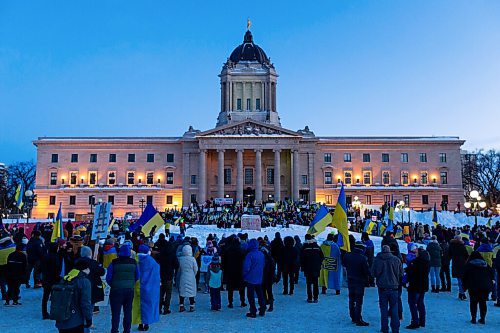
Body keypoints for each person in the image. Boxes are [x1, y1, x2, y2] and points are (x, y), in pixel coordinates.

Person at [106, 245, 140, 333]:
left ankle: (114, 330)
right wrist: (131, 283)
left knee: (115, 313)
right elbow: (137, 276)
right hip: (129, 290)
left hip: (116, 290)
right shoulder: (134, 262)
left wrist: (113, 284)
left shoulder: (114, 262)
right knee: (128, 312)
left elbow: (108, 277)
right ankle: (127, 330)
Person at [55, 260, 93, 333]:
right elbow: (85, 303)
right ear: (86, 269)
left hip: (61, 320)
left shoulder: (65, 279)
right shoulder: (84, 281)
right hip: (76, 321)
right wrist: (89, 319)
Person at [372, 245, 403, 333]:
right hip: (394, 287)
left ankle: (384, 328)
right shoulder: (396, 260)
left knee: (383, 309)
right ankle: (395, 329)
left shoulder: (377, 260)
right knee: (394, 308)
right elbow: (401, 273)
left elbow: (373, 273)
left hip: (382, 288)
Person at [132, 245, 160, 331]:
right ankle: (146, 323)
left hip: (136, 286)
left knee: (137, 306)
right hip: (149, 287)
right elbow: (156, 274)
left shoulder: (134, 261)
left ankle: (140, 323)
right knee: (148, 306)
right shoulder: (152, 262)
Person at [462, 251, 494, 324]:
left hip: (473, 286)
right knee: (483, 302)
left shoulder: (469, 265)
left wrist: (464, 287)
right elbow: (491, 275)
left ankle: (473, 318)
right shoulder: (485, 265)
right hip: (484, 287)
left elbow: (464, 277)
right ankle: (482, 319)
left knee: (473, 302)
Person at [343, 241, 370, 326]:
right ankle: (358, 318)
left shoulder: (348, 255)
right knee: (358, 301)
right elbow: (366, 271)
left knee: (351, 299)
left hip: (350, 279)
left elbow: (344, 264)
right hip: (359, 281)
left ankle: (353, 316)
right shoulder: (362, 258)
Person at [405, 247, 430, 329]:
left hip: (415, 286)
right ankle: (422, 321)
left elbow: (411, 272)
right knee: (420, 303)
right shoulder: (426, 262)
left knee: (412, 303)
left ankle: (415, 321)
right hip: (423, 286)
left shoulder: (416, 262)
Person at [243, 239, 266, 318]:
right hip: (259, 277)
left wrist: (244, 275)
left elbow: (246, 267)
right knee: (260, 293)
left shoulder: (249, 255)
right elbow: (263, 265)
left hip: (250, 278)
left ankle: (253, 311)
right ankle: (262, 309)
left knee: (250, 295)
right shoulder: (261, 254)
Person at [78, 246, 105, 314]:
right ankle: (88, 321)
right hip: (91, 287)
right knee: (89, 305)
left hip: (79, 287)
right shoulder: (93, 263)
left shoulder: (76, 262)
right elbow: (102, 272)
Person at [222, 236, 246, 308]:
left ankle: (230, 302)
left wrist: (225, 270)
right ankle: (242, 301)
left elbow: (224, 262)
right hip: (239, 271)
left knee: (230, 288)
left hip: (230, 271)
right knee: (241, 288)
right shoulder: (241, 251)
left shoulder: (227, 250)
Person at [300, 234, 323, 303]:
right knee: (316, 283)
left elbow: (301, 258)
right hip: (316, 268)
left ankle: (309, 298)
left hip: (308, 268)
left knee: (308, 283)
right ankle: (316, 298)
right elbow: (322, 257)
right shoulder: (317, 246)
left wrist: (302, 267)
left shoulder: (304, 247)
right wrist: (318, 264)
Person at [41, 242, 62, 319]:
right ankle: (53, 312)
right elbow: (58, 269)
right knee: (54, 297)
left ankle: (44, 313)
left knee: (45, 297)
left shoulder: (45, 256)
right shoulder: (56, 257)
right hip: (54, 279)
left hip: (46, 279)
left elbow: (41, 268)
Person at [158, 238, 179, 315]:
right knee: (168, 293)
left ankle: (159, 308)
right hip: (169, 275)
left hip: (161, 275)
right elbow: (177, 265)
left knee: (161, 292)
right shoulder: (172, 255)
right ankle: (166, 309)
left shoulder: (161, 254)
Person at [178, 244, 198, 312]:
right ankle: (191, 306)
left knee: (182, 291)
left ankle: (181, 305)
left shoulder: (180, 259)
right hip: (191, 276)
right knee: (191, 291)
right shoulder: (192, 259)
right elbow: (196, 269)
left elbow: (179, 269)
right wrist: (194, 275)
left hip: (183, 276)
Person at [448, 235, 469, 300]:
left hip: (455, 264)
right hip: (463, 264)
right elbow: (466, 255)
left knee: (459, 279)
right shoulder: (462, 246)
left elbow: (449, 254)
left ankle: (461, 293)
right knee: (463, 279)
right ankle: (462, 293)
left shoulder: (452, 245)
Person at [0, 235, 16, 300]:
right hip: (10, 266)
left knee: (2, 281)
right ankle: (11, 294)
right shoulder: (13, 247)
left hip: (1, 267)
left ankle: (4, 295)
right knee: (11, 281)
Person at [261, 244, 275, 311]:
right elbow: (273, 269)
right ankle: (271, 305)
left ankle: (265, 303)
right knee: (269, 291)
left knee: (263, 291)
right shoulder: (271, 259)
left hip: (263, 277)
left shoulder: (261, 260)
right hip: (269, 278)